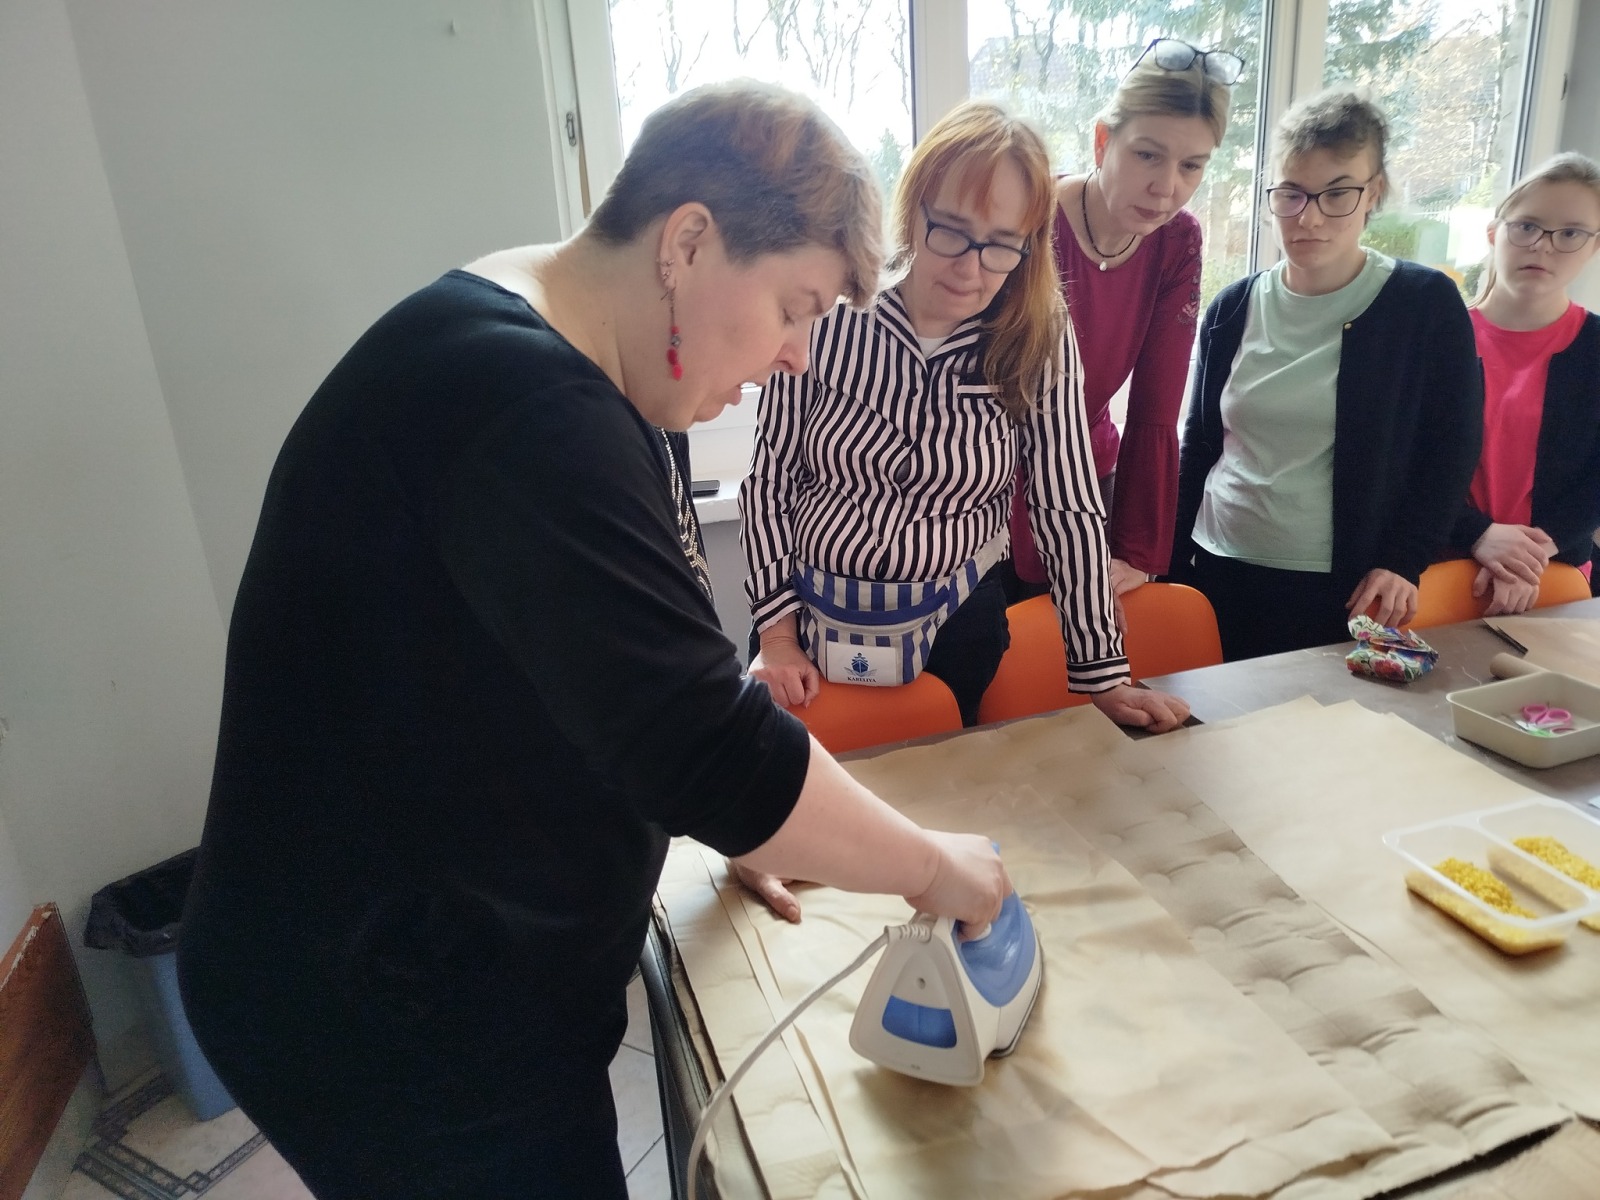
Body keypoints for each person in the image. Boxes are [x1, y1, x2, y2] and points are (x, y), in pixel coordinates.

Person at [177, 81, 1011, 1200]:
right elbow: (705, 742)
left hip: (422, 953)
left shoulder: (583, 356)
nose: (799, 356)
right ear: (688, 242)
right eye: (795, 307)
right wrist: (932, 869)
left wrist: (749, 823)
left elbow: (634, 672)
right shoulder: (525, 407)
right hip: (389, 1003)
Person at [739, 99, 1191, 738]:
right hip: (804, 624)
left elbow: (1066, 502)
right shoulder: (834, 307)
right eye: (950, 230)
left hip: (957, 626)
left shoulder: (1040, 334)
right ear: (914, 207)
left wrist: (1104, 674)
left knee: (947, 780)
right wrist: (778, 636)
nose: (970, 269)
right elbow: (770, 478)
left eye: (1001, 246)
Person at [1171, 89, 1482, 661]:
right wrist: (1165, 566)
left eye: (1337, 193)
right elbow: (1200, 446)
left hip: (1345, 588)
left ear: (1374, 193)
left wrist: (1404, 559)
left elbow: (1450, 449)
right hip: (1218, 566)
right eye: (1291, 193)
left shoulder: (1423, 303)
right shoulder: (1232, 307)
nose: (1308, 217)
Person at [1007, 37, 1238, 602]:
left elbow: (1157, 404)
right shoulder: (1030, 219)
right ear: (1102, 140)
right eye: (1147, 155)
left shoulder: (1178, 241)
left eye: (1191, 166)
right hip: (986, 478)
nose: (1167, 188)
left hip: (1092, 476)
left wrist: (1136, 548)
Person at [1446, 151, 1600, 613]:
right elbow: (1407, 464)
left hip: (1552, 574)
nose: (1542, 246)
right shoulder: (1441, 337)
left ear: (1593, 246)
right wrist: (1479, 535)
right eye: (1527, 226)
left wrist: (1526, 557)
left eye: (1570, 233)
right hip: (1440, 564)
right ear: (1494, 234)